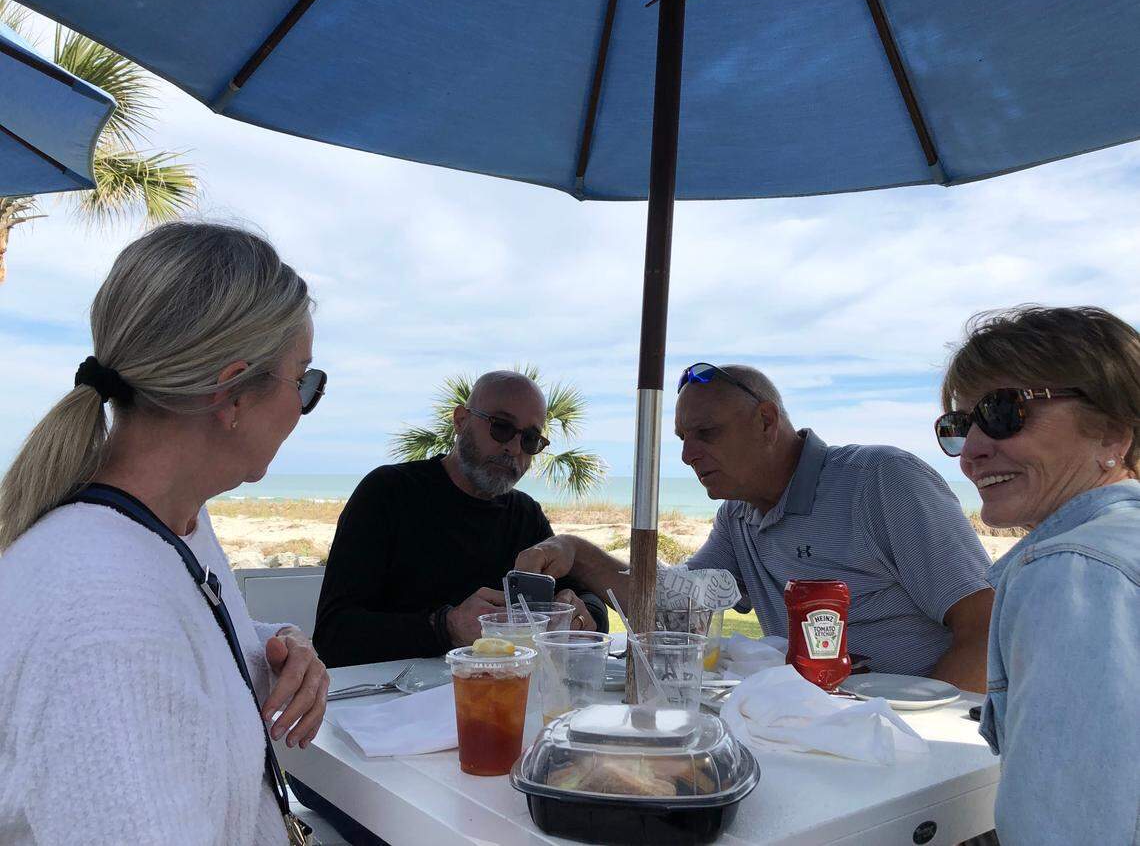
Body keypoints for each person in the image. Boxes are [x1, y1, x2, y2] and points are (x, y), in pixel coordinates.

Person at [0, 223, 329, 845]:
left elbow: (186, 642)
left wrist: (278, 648)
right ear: (232, 394)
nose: (302, 407)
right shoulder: (101, 611)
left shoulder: (168, 527)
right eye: (304, 380)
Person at [517, 362, 994, 691]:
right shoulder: (739, 516)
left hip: (907, 741)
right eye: (683, 439)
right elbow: (671, 604)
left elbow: (988, 628)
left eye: (706, 433)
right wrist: (578, 551)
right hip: (811, 725)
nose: (687, 455)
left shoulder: (880, 480)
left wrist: (908, 735)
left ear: (766, 421)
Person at [935, 305, 1140, 845]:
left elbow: (1067, 831)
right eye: (959, 425)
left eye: (1004, 412)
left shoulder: (1071, 572)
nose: (971, 452)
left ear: (1112, 436)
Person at [312, 369, 608, 670]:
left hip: (501, 695)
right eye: (502, 427)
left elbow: (581, 595)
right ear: (461, 420)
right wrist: (445, 627)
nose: (514, 448)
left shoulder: (525, 514)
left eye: (530, 439)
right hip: (395, 701)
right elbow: (333, 634)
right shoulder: (389, 493)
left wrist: (583, 616)